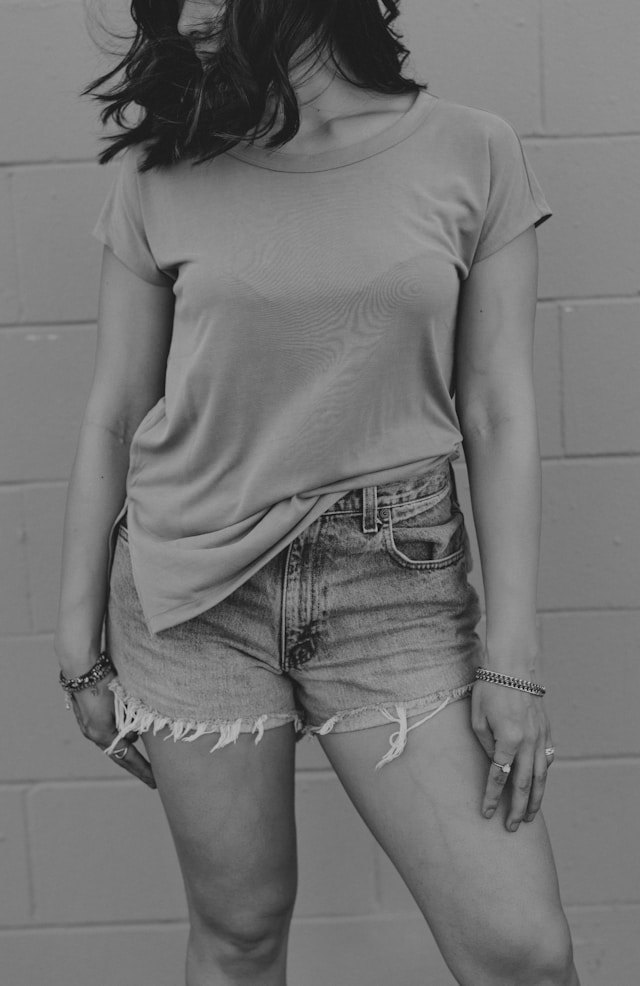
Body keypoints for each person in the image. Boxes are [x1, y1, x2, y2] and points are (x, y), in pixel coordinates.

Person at [55, 2, 581, 984]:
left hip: (395, 584)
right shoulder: (164, 167)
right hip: (192, 600)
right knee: (240, 934)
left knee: (523, 954)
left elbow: (498, 410)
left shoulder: (474, 151)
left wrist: (512, 661)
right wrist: (76, 643)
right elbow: (115, 412)